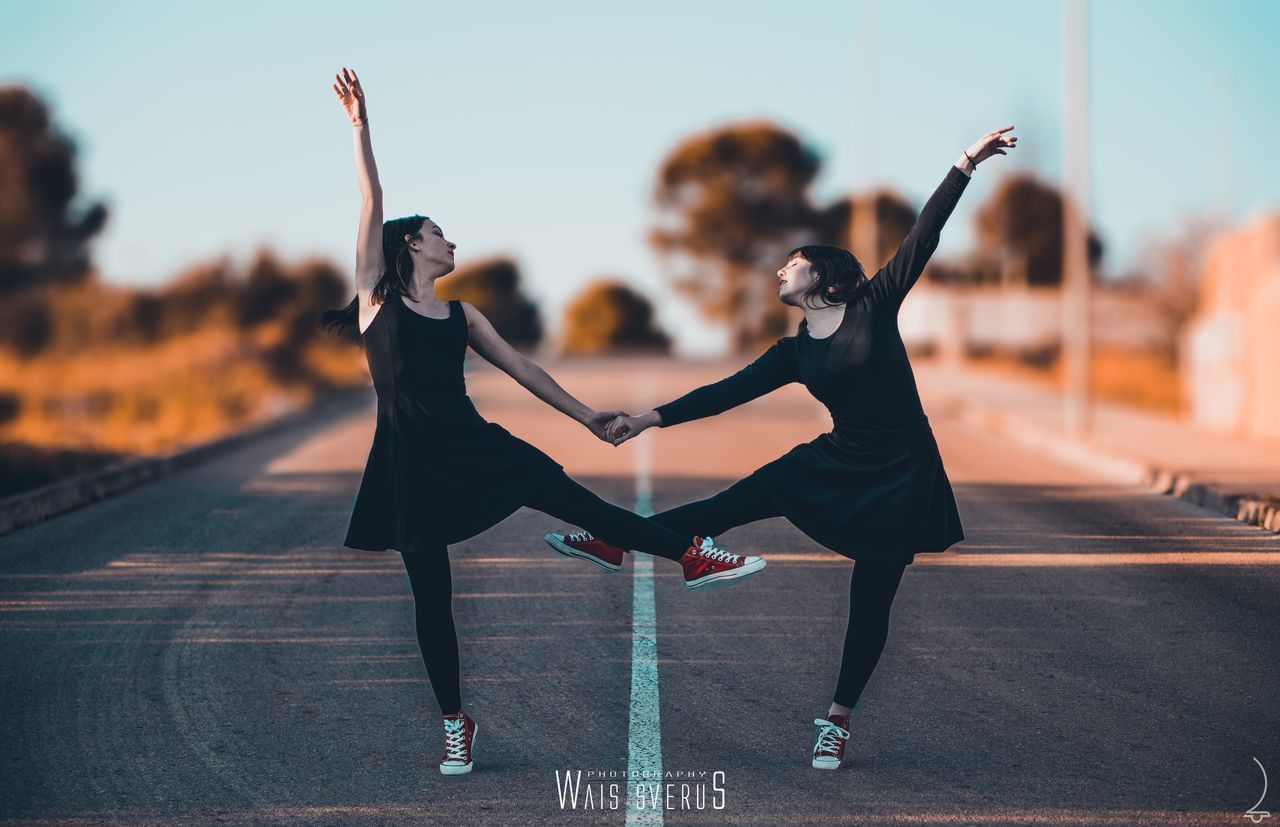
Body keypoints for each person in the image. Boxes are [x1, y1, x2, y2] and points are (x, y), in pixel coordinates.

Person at [318, 68, 768, 776]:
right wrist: (360, 127)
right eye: (439, 233)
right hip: (407, 462)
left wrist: (590, 416)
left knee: (582, 502)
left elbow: (524, 369)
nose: (450, 241)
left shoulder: (464, 315)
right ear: (411, 246)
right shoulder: (378, 301)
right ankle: (454, 722)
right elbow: (371, 200)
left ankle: (689, 554)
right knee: (431, 597)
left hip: (476, 446)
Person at [546, 126, 1017, 770]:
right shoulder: (793, 352)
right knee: (728, 504)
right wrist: (646, 419)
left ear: (822, 273)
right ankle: (614, 539)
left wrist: (965, 164)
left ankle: (838, 720)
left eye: (791, 261)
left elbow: (923, 237)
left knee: (871, 599)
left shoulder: (874, 306)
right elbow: (724, 393)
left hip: (903, 470)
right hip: (837, 458)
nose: (779, 269)